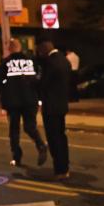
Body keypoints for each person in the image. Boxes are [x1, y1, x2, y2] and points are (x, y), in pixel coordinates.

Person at [0, 39, 48, 167]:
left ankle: (17, 156)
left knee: (14, 130)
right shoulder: (30, 61)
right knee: (30, 127)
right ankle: (41, 145)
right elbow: (38, 79)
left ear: (10, 48)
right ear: (20, 48)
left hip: (13, 101)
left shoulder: (7, 62)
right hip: (30, 100)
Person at [36, 34, 71, 180]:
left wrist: (34, 82)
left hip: (51, 106)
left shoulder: (50, 62)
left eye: (40, 49)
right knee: (61, 137)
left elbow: (44, 83)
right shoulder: (64, 60)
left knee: (54, 138)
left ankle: (60, 169)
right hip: (62, 104)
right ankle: (65, 167)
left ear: (45, 46)